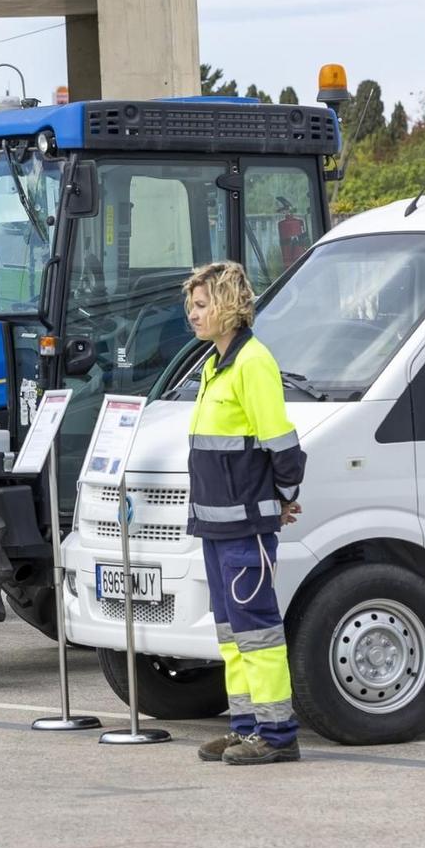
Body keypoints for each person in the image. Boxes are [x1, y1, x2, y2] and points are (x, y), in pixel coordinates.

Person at [183, 260, 307, 765]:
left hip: (243, 524)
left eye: (202, 303)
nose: (192, 313)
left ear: (230, 304)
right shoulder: (216, 364)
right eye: (190, 304)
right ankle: (245, 727)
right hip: (217, 525)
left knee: (257, 630)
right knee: (233, 635)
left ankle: (278, 736)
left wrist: (284, 493)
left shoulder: (253, 362)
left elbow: (281, 442)